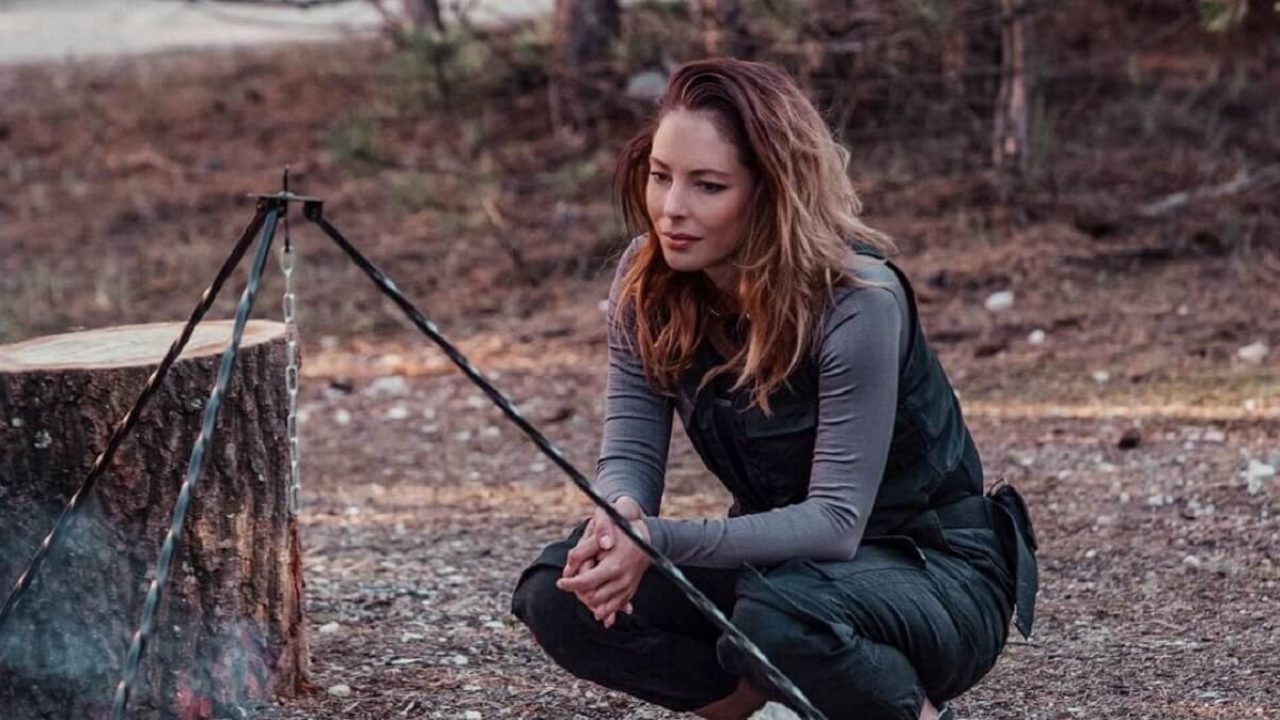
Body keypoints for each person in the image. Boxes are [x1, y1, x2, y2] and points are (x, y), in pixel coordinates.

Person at [511, 57, 1038, 720]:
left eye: (708, 186)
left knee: (780, 617)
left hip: (935, 574)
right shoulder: (646, 279)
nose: (672, 209)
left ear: (771, 191)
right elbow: (631, 452)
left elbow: (836, 523)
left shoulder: (857, 302)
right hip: (785, 573)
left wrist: (659, 540)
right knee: (558, 595)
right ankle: (755, 708)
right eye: (661, 176)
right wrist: (620, 521)